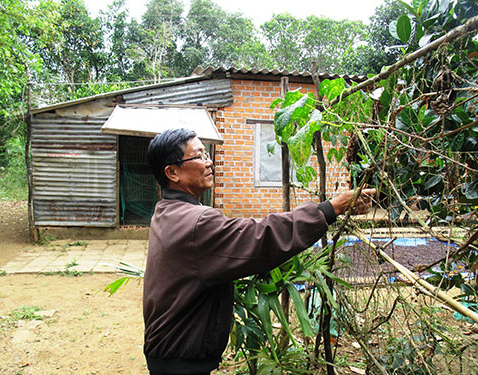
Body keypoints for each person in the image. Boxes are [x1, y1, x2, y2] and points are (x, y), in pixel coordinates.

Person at [143, 128, 376, 375]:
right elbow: (261, 237)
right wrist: (330, 209)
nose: (209, 162)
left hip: (170, 351)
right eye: (199, 156)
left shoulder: (167, 211)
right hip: (179, 359)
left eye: (207, 153)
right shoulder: (196, 223)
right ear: (172, 172)